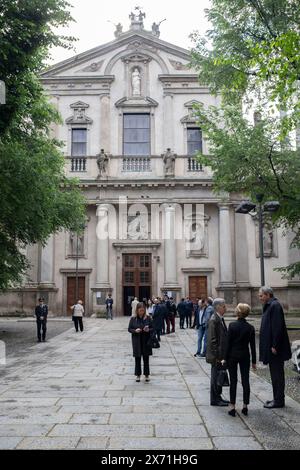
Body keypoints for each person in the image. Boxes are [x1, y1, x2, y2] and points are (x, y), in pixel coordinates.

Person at [259, 286, 292, 408]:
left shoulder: (275, 306)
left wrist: (274, 345)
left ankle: (279, 401)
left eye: (261, 295)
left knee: (277, 375)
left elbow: (277, 328)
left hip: (275, 349)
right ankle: (276, 398)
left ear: (268, 295)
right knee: (274, 374)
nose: (260, 298)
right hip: (273, 347)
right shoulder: (270, 305)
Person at [223, 303, 256, 417]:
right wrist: (254, 362)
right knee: (245, 380)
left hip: (232, 355)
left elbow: (228, 344)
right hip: (245, 356)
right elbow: (252, 346)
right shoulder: (250, 328)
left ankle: (232, 406)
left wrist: (224, 358)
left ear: (238, 312)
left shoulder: (232, 326)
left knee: (233, 380)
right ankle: (245, 406)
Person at [206, 298, 229, 406]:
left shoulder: (219, 318)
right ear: (218, 307)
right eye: (224, 306)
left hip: (219, 354)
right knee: (216, 376)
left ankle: (218, 396)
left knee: (219, 375)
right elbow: (212, 340)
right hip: (217, 356)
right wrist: (217, 356)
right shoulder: (214, 319)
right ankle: (215, 399)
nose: (226, 308)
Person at [128, 302, 153, 382]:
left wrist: (148, 329)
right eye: (140, 310)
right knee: (137, 358)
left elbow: (153, 328)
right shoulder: (133, 318)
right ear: (137, 310)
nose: (141, 312)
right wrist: (135, 330)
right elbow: (129, 329)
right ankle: (138, 375)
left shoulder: (148, 318)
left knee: (146, 358)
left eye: (143, 310)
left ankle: (146, 375)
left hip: (146, 341)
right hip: (137, 341)